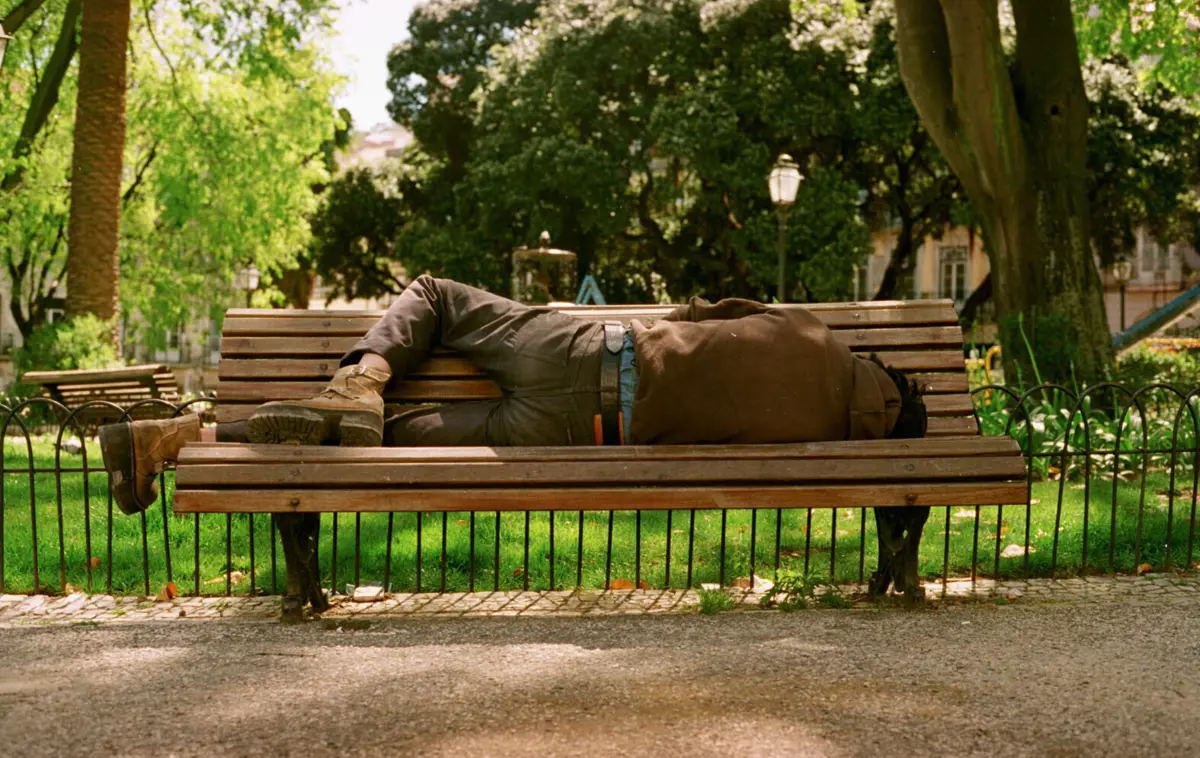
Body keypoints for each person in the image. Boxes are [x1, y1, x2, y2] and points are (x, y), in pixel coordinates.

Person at [99, 276, 928, 580]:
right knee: (384, 436)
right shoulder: (835, 432)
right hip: (584, 434)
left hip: (586, 350)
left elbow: (698, 312)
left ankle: (356, 381)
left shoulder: (813, 334)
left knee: (434, 293)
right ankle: (188, 438)